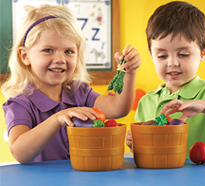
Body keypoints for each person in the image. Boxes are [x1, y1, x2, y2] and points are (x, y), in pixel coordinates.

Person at [1, 4, 141, 164]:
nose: (60, 59)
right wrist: (57, 119)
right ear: (25, 56)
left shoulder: (79, 92)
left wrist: (129, 71)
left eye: (68, 51)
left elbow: (118, 108)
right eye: (48, 50)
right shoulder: (20, 104)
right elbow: (20, 152)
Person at [126, 1, 205, 158]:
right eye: (162, 55)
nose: (172, 62)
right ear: (151, 54)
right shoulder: (146, 102)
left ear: (204, 53)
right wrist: (133, 144)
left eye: (183, 54)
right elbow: (146, 155)